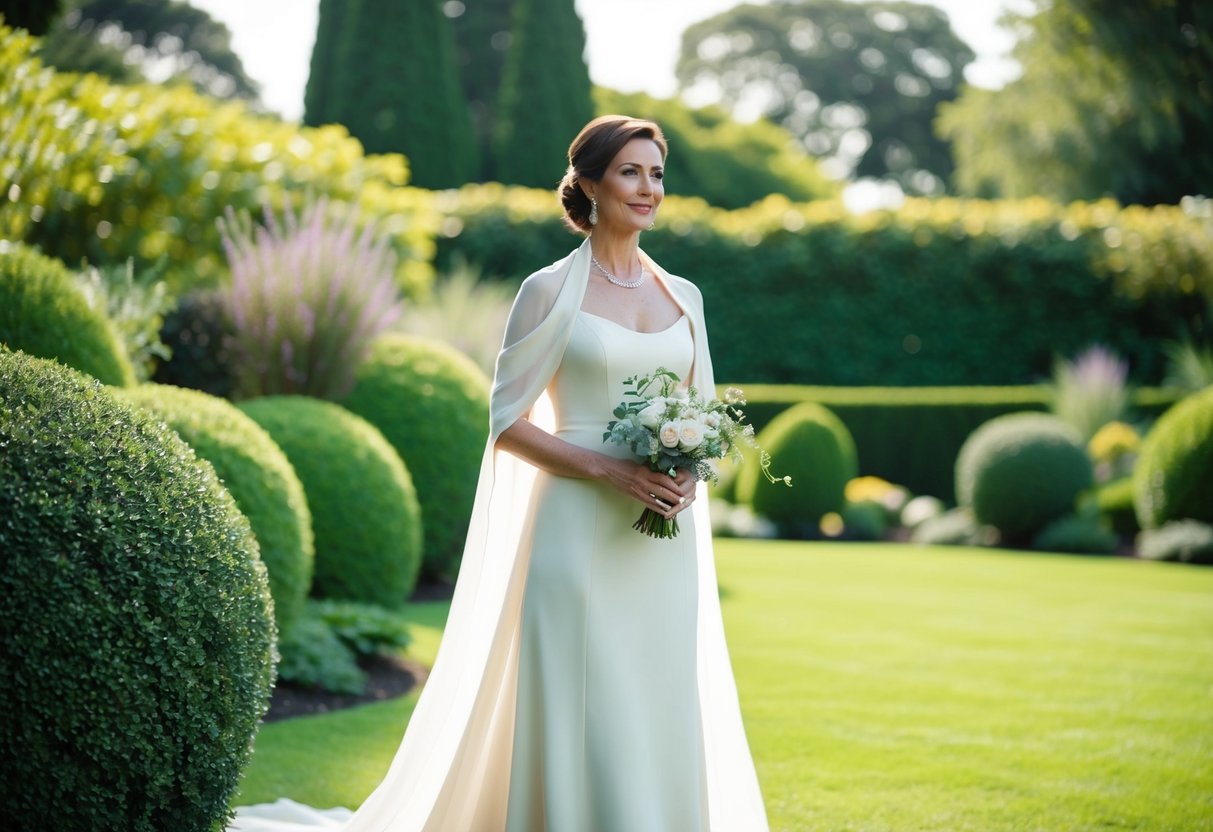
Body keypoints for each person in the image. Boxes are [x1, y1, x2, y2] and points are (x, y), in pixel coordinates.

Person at [231, 115, 768, 831]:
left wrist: (686, 479)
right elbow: (507, 423)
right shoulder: (546, 293)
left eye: (657, 173)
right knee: (585, 705)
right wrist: (612, 473)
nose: (649, 189)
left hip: (658, 551)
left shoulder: (685, 298)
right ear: (588, 185)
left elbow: (703, 416)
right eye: (631, 172)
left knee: (657, 699)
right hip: (572, 538)